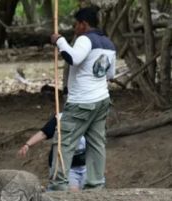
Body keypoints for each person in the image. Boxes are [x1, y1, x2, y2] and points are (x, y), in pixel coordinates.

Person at [49, 6, 116, 190]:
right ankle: (95, 184)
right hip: (102, 99)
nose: (75, 28)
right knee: (96, 143)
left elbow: (74, 58)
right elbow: (110, 73)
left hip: (81, 101)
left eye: (76, 24)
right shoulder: (108, 43)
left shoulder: (84, 39)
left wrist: (59, 41)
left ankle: (58, 184)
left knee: (65, 141)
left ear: (83, 24)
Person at [18, 114, 87, 191]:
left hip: (85, 165)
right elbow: (43, 133)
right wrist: (27, 145)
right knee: (72, 190)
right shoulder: (59, 118)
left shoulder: (91, 116)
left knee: (88, 191)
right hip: (64, 165)